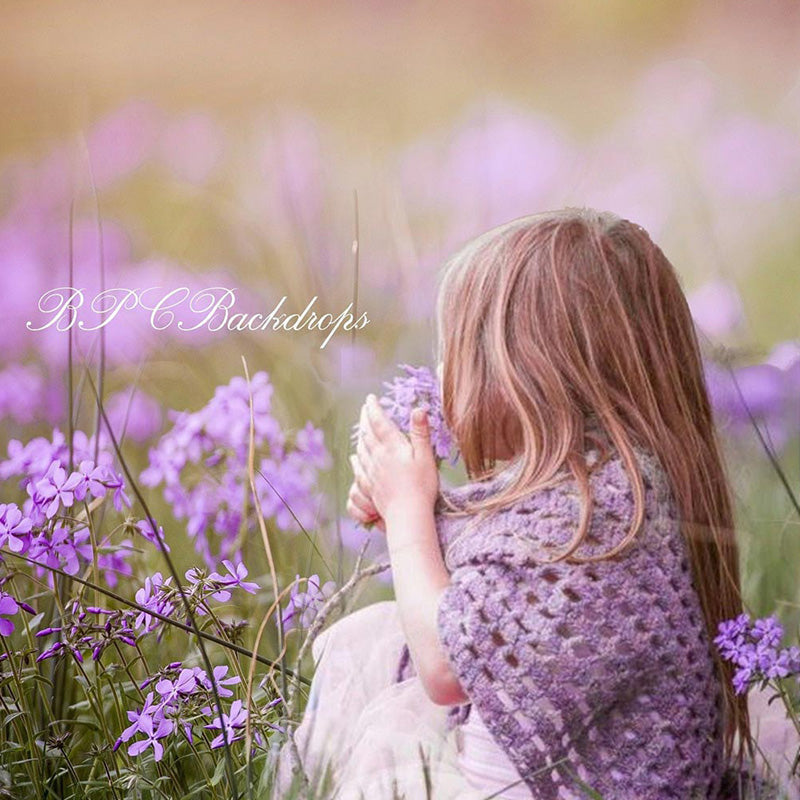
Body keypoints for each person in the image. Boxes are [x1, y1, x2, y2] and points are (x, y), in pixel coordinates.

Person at [272, 207, 797, 799]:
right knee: (373, 638)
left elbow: (448, 667)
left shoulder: (599, 515)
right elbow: (490, 590)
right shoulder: (602, 490)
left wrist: (409, 513)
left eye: (464, 353)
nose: (443, 376)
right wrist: (415, 505)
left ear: (533, 373)